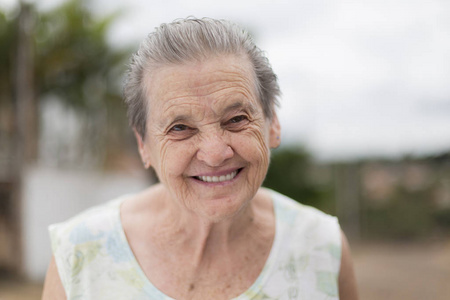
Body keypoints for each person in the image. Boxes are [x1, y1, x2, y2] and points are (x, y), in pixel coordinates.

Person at [42, 17, 358, 300]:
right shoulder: (80, 256)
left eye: (236, 119)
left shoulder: (322, 247)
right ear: (144, 145)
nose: (215, 152)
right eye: (180, 128)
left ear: (272, 124)